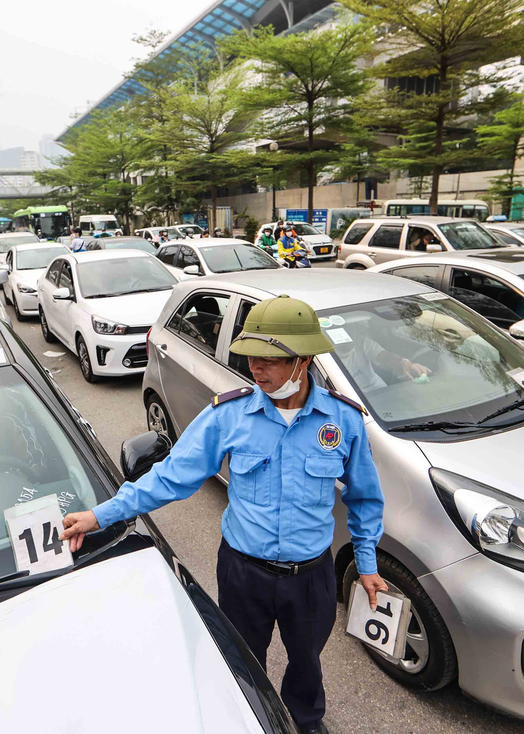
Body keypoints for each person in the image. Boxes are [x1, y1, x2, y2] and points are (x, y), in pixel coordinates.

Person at [62, 296, 388, 734]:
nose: (256, 367)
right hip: (243, 574)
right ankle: (247, 720)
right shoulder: (229, 415)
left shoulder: (343, 421)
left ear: (304, 360)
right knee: (240, 662)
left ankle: (306, 723)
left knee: (307, 664)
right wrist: (101, 515)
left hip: (311, 578)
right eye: (251, 355)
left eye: (270, 359)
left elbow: (365, 498)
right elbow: (172, 477)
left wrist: (365, 565)